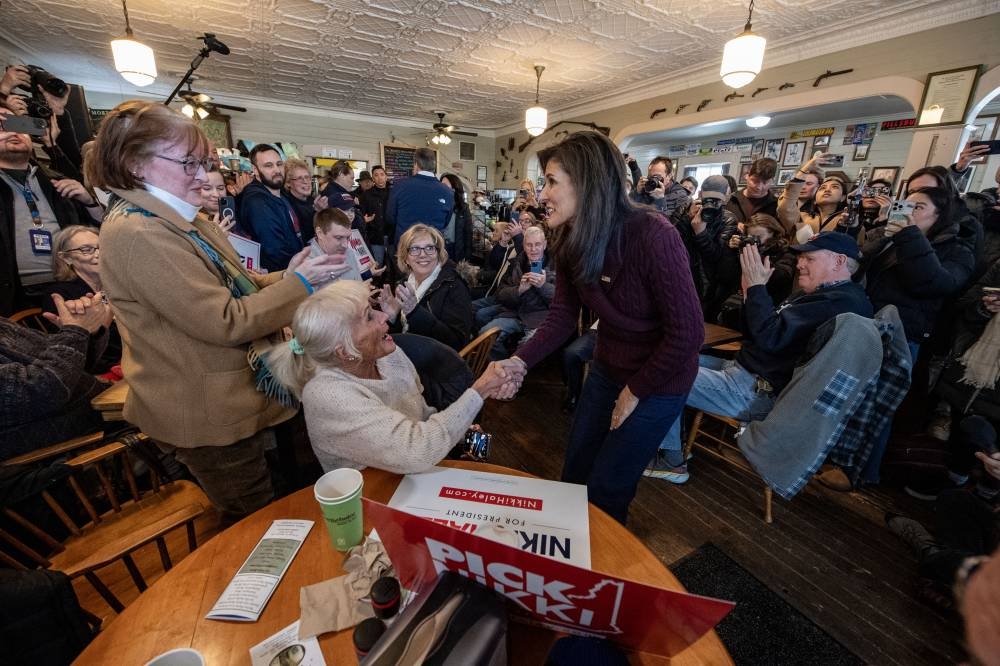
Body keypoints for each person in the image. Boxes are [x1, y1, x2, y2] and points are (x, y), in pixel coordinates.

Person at [86, 101, 341, 523]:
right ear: (135, 165)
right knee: (254, 522)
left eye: (202, 162)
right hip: (208, 412)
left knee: (282, 499)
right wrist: (303, 285)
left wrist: (287, 276)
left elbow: (239, 284)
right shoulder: (141, 232)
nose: (205, 176)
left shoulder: (185, 220)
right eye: (189, 163)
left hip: (240, 393)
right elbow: (227, 320)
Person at [500, 131, 704, 524]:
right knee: (575, 473)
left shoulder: (653, 235)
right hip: (610, 368)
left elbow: (688, 336)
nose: (542, 194)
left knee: (609, 486)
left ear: (588, 183)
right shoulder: (570, 237)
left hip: (659, 381)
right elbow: (562, 317)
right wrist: (519, 362)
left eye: (551, 182)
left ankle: (600, 576)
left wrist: (636, 390)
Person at [649, 232, 874, 483]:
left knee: (661, 375)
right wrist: (751, 291)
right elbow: (756, 332)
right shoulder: (819, 294)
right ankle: (666, 443)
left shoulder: (840, 302)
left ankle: (671, 460)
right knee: (664, 359)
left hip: (755, 391)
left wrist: (757, 289)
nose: (800, 264)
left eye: (809, 258)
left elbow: (770, 339)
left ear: (839, 261)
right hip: (743, 372)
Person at [266, 281, 511, 474]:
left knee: (487, 463)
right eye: (369, 316)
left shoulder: (389, 356)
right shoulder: (328, 394)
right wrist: (478, 391)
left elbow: (424, 415)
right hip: (374, 502)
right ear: (345, 351)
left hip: (414, 479)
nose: (384, 316)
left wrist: (470, 436)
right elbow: (416, 450)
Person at [0, 107, 102, 315]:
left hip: (72, 284)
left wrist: (89, 201)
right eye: (1, 127)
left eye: (17, 125)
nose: (12, 131)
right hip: (12, 294)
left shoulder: (56, 179)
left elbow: (100, 232)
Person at [1, 292, 112, 460]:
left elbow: (70, 370)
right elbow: (44, 389)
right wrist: (76, 332)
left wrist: (89, 331)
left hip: (102, 422)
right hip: (77, 456)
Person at [378, 224, 472, 351]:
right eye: (415, 249)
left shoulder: (453, 285)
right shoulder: (406, 283)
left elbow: (456, 343)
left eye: (429, 248)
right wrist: (393, 317)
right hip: (412, 351)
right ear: (405, 258)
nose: (423, 254)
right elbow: (404, 332)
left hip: (436, 364)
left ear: (438, 253)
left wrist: (415, 312)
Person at [40, 226, 121, 373]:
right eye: (86, 249)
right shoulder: (59, 295)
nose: (98, 254)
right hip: (98, 370)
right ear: (66, 258)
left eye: (101, 247)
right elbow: (70, 353)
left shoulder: (116, 284)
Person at [479, 226, 555, 360]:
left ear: (544, 245)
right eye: (529, 245)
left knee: (527, 347)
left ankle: (517, 373)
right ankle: (502, 368)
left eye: (537, 244)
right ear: (523, 246)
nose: (533, 249)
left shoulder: (556, 265)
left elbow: (562, 300)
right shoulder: (515, 263)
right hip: (514, 314)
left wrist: (543, 286)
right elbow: (500, 294)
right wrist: (519, 290)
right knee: (485, 336)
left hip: (540, 318)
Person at [240, 144, 304, 272]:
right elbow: (275, 250)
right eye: (268, 165)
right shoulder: (257, 201)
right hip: (281, 277)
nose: (277, 170)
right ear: (255, 170)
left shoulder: (280, 194)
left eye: (279, 164)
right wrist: (299, 273)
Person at [387, 147, 452, 244]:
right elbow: (446, 221)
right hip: (434, 247)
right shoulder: (447, 192)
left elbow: (390, 218)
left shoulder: (399, 186)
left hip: (406, 247)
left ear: (416, 164)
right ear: (433, 166)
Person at [306, 208, 366, 287]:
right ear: (320, 233)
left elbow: (358, 286)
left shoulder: (349, 253)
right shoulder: (306, 265)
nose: (345, 245)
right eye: (338, 238)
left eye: (348, 238)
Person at [726, 157, 779, 224]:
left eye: (765, 183)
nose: (759, 187)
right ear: (747, 176)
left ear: (772, 181)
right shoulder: (729, 200)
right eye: (755, 181)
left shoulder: (777, 205)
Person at [359, 165, 391, 265]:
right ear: (373, 179)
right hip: (375, 237)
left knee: (396, 265)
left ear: (386, 177)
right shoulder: (366, 195)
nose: (379, 177)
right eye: (376, 175)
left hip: (392, 235)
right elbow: (362, 215)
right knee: (377, 265)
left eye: (382, 174)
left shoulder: (394, 193)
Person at [282, 158, 317, 244]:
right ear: (288, 183)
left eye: (307, 177)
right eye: (299, 178)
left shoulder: (313, 201)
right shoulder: (286, 206)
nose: (305, 181)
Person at [440, 172, 473, 262]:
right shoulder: (438, 206)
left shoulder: (463, 208)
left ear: (454, 189)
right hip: (441, 249)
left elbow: (468, 233)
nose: (441, 188)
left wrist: (467, 257)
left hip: (457, 250)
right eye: (441, 185)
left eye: (445, 185)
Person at [198, 166, 238, 236]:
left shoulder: (236, 211)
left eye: (221, 188)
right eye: (207, 188)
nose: (216, 194)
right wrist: (215, 237)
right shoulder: (192, 221)